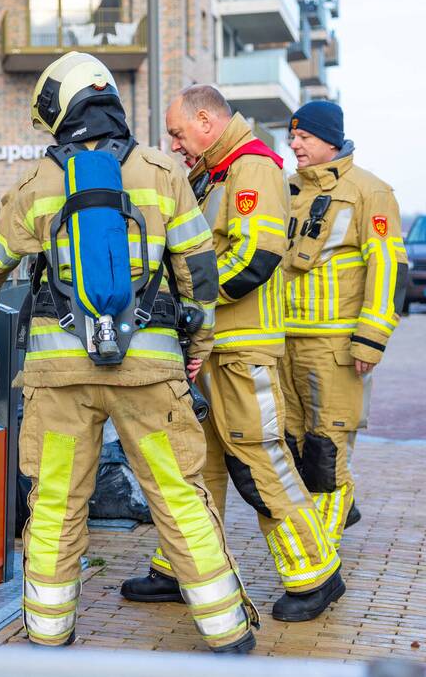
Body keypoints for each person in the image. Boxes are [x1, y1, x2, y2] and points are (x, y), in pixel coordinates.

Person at [0, 53, 257, 653]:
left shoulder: (37, 182)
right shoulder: (162, 172)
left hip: (58, 377)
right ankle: (228, 631)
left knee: (56, 504)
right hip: (149, 376)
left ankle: (48, 635)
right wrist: (193, 347)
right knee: (176, 495)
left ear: (59, 107)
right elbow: (198, 276)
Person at [120, 85, 344, 622]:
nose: (174, 144)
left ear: (205, 120)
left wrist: (185, 300)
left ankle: (316, 573)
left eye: (177, 132)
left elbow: (256, 256)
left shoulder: (252, 168)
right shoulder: (215, 173)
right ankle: (185, 568)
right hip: (214, 347)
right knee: (201, 463)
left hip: (243, 349)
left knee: (261, 460)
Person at [281, 101, 408, 546]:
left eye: (304, 137)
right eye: (291, 136)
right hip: (285, 343)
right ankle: (323, 528)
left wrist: (370, 341)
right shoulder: (288, 189)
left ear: (330, 140)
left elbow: (389, 266)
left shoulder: (370, 192)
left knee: (325, 451)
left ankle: (319, 560)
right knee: (294, 449)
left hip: (335, 348)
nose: (293, 144)